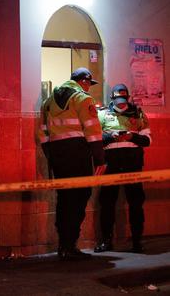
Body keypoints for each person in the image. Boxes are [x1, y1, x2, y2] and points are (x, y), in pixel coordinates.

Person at [38, 67, 106, 260]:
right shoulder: (82, 99)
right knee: (79, 197)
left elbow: (42, 132)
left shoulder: (48, 101)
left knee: (64, 198)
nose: (89, 88)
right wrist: (99, 159)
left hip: (58, 154)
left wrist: (51, 155)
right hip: (78, 153)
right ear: (83, 81)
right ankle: (70, 245)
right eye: (89, 84)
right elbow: (92, 130)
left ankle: (63, 245)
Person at [94, 84, 151, 253]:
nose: (121, 104)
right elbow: (95, 138)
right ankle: (106, 241)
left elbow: (148, 140)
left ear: (128, 98)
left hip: (133, 164)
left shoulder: (138, 114)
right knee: (107, 203)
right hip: (110, 164)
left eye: (123, 101)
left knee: (136, 203)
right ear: (112, 99)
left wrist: (132, 136)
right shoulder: (102, 114)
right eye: (118, 101)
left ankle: (137, 241)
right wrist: (109, 137)